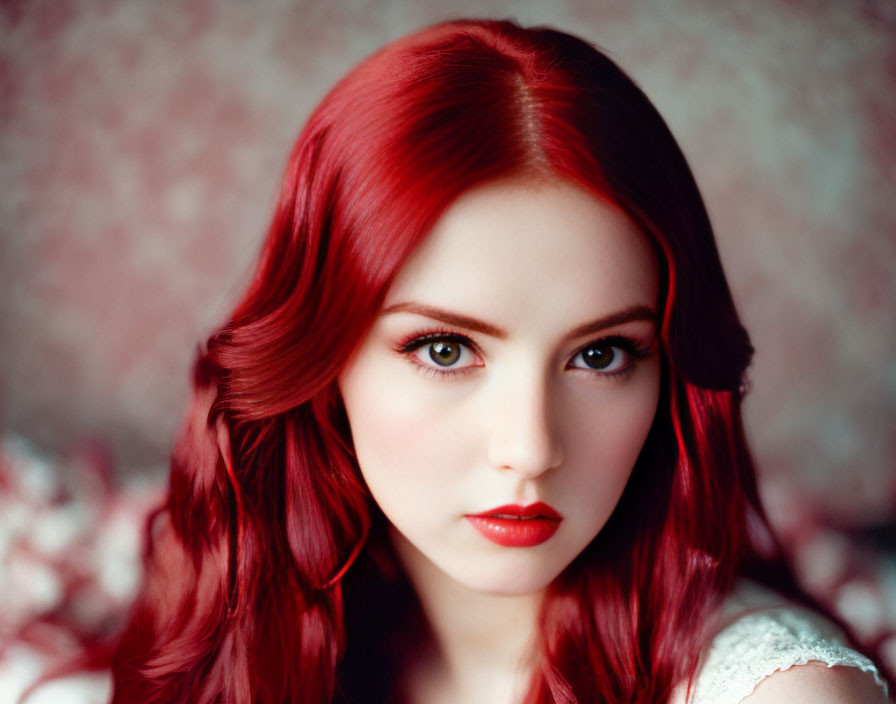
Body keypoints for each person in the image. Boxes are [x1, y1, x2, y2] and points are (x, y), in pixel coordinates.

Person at [106, 18, 890, 704]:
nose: (530, 447)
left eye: (601, 353)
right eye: (446, 350)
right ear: (323, 359)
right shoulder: (280, 643)